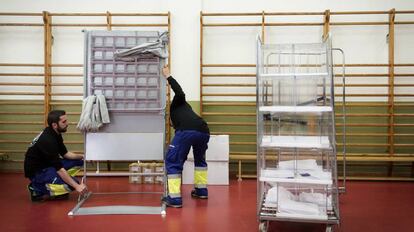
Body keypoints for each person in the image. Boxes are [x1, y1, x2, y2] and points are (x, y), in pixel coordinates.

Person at [161, 66, 210, 208]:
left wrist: (168, 76)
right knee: (200, 161)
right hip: (203, 131)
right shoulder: (185, 111)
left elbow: (180, 92)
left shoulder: (177, 103)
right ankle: (201, 191)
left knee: (173, 159)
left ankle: (174, 198)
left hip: (188, 131)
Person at [24, 110, 87, 202]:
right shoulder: (48, 141)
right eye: (64, 122)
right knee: (72, 185)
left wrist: (84, 156)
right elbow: (60, 169)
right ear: (54, 125)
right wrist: (77, 186)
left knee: (80, 161)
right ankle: (36, 188)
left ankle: (57, 182)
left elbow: (65, 154)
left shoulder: (55, 133)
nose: (67, 124)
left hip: (48, 165)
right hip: (38, 172)